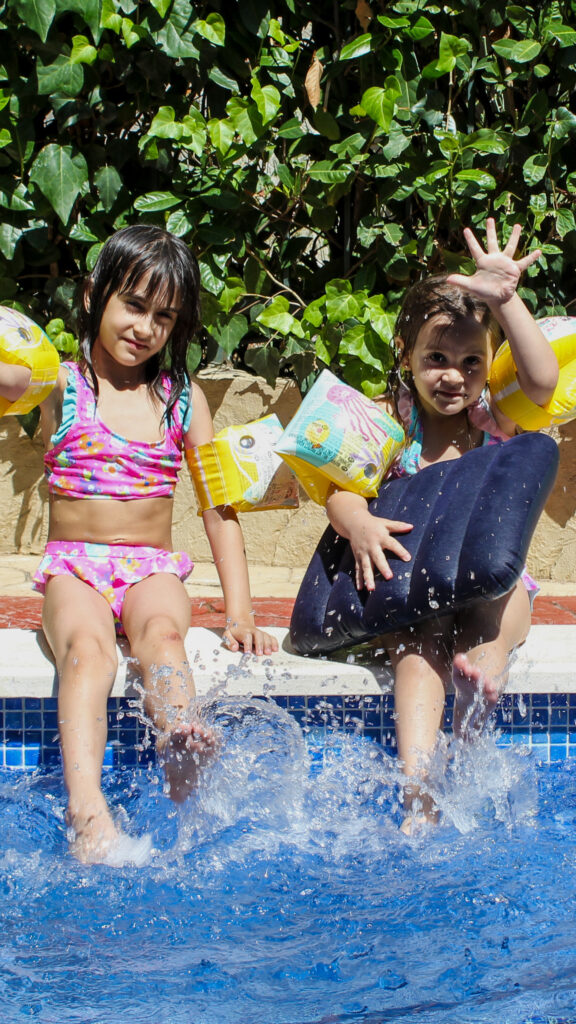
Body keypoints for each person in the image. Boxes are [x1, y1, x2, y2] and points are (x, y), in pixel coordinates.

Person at [19, 224, 277, 864]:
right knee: (87, 653)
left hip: (151, 567)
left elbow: (218, 508)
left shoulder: (182, 401)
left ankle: (180, 738)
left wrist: (240, 612)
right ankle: (87, 809)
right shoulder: (63, 386)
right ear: (92, 297)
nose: (145, 327)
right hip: (76, 569)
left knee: (162, 636)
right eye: (133, 305)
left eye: (164, 316)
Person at [325, 219, 559, 832]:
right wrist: (360, 525)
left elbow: (542, 381)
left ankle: (484, 671)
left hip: (485, 583)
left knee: (500, 610)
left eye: (471, 361)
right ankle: (419, 790)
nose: (454, 376)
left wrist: (506, 302)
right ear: (406, 353)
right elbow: (339, 493)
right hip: (413, 586)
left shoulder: (497, 416)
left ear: (489, 363)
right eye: (436, 359)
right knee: (418, 643)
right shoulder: (387, 421)